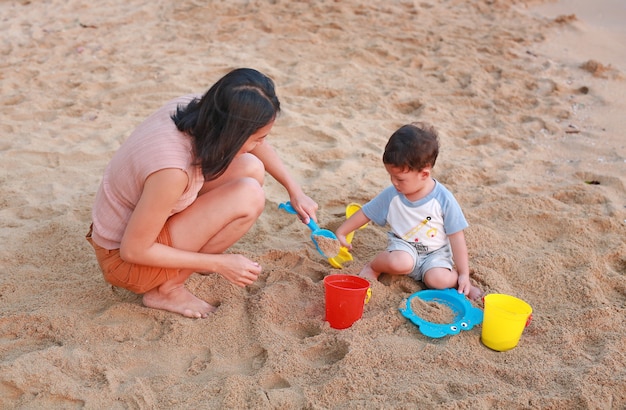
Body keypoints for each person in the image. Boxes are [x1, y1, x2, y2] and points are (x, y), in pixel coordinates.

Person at [86, 68, 318, 318]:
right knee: (249, 195)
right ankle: (167, 289)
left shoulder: (199, 108)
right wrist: (220, 264)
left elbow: (255, 146)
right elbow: (133, 250)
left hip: (148, 221)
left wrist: (295, 190)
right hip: (126, 262)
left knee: (251, 167)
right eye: (257, 138)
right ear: (233, 134)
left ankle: (187, 262)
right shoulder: (173, 172)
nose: (260, 144)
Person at [335, 122, 482, 300]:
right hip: (403, 247)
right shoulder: (393, 195)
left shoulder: (443, 199)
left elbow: (457, 238)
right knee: (401, 263)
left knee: (438, 280)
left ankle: (463, 283)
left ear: (424, 174)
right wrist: (342, 231)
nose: (394, 183)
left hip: (435, 254)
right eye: (391, 176)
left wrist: (464, 274)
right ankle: (373, 267)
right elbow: (367, 212)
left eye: (399, 178)